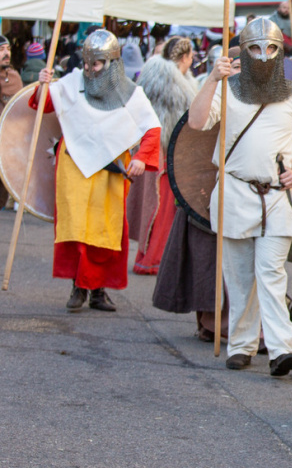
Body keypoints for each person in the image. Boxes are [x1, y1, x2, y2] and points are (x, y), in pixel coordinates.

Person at [187, 18, 292, 375]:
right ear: (243, 50)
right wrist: (212, 78)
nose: (262, 55)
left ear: (280, 51)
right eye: (255, 48)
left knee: (271, 273)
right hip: (235, 192)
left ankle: (279, 350)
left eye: (270, 48)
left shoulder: (291, 92)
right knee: (240, 277)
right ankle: (242, 345)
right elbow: (196, 123)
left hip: (275, 196)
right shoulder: (226, 88)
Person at [33, 30, 161, 312]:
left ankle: (99, 291)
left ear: (112, 63)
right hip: (75, 165)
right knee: (76, 228)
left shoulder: (130, 93)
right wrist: (43, 85)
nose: (91, 69)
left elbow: (151, 128)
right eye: (88, 63)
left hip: (109, 170)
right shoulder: (72, 83)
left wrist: (140, 158)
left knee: (104, 231)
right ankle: (78, 286)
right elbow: (42, 105)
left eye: (97, 64)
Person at [152, 46, 241, 342]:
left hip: (242, 193)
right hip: (204, 190)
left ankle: (233, 325)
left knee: (236, 265)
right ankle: (211, 323)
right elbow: (194, 132)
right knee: (207, 263)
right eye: (236, 67)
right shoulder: (212, 93)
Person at [126, 36, 200, 276]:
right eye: (191, 57)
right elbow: (187, 119)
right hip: (164, 150)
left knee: (154, 205)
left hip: (149, 147)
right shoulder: (173, 82)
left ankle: (150, 257)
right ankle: (154, 259)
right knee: (161, 206)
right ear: (184, 57)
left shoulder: (153, 73)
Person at [0, 35, 24, 208]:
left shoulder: (14, 77)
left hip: (6, 145)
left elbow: (21, 110)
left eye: (8, 49)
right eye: (1, 50)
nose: (6, 53)